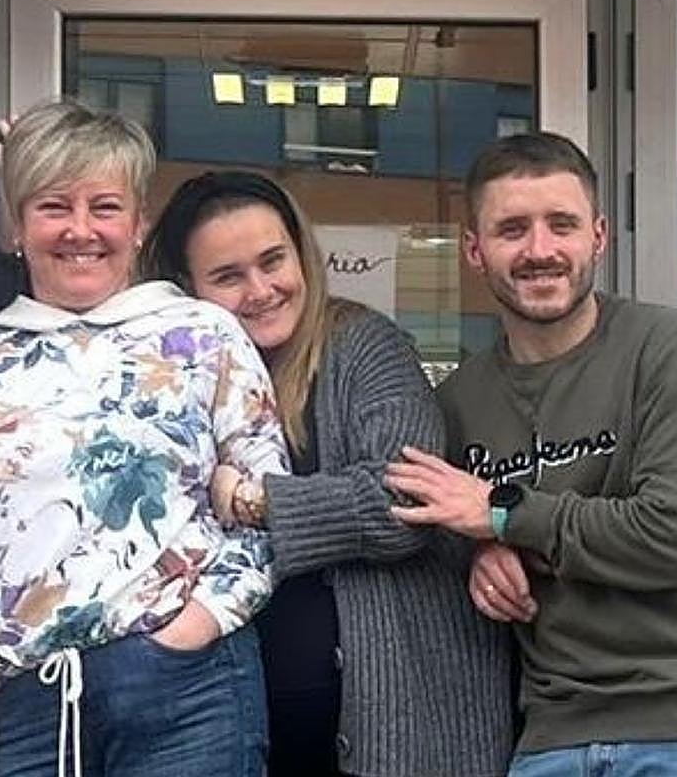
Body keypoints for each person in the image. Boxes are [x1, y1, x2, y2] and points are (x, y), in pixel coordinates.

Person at [385, 131, 677, 776]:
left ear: (598, 237)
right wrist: (479, 552)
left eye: (562, 225)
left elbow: (675, 536)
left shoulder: (673, 350)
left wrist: (500, 514)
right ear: (474, 250)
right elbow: (451, 526)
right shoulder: (461, 400)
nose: (539, 250)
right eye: (512, 229)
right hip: (551, 736)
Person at [0, 100, 288, 777]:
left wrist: (192, 629)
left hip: (190, 690)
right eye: (54, 206)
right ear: (17, 226)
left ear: (140, 223)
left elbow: (272, 504)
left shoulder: (203, 336)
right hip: (33, 705)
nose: (81, 231)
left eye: (105, 207)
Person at [142, 170, 515, 777]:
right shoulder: (180, 381)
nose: (260, 289)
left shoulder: (364, 346)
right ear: (189, 288)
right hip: (244, 724)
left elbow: (404, 502)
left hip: (395, 732)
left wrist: (256, 502)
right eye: (228, 277)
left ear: (303, 254)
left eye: (272, 261)